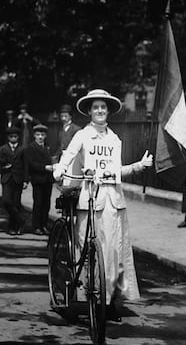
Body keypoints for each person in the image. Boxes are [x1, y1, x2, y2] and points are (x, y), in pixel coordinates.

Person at [53, 88, 153, 320]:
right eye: (96, 107)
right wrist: (60, 169)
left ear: (108, 111)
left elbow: (116, 171)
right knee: (90, 251)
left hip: (114, 201)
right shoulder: (83, 135)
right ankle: (91, 298)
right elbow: (69, 155)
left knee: (114, 253)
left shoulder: (114, 138)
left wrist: (139, 165)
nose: (100, 111)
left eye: (103, 107)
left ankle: (108, 302)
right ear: (89, 111)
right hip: (91, 198)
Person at [0, 126, 27, 235]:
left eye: (15, 136)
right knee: (6, 200)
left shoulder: (22, 149)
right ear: (8, 137)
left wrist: (26, 180)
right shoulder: (3, 149)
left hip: (18, 179)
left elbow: (26, 165)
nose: (13, 139)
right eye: (11, 136)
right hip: (6, 178)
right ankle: (20, 219)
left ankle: (14, 227)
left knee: (16, 203)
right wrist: (2, 167)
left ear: (18, 137)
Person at [24, 124, 55, 236]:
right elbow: (31, 164)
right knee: (38, 203)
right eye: (38, 135)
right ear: (34, 135)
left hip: (48, 180)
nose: (40, 137)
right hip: (38, 179)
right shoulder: (31, 148)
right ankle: (36, 226)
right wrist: (44, 167)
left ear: (45, 135)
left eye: (42, 135)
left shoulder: (47, 147)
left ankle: (44, 225)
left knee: (46, 204)